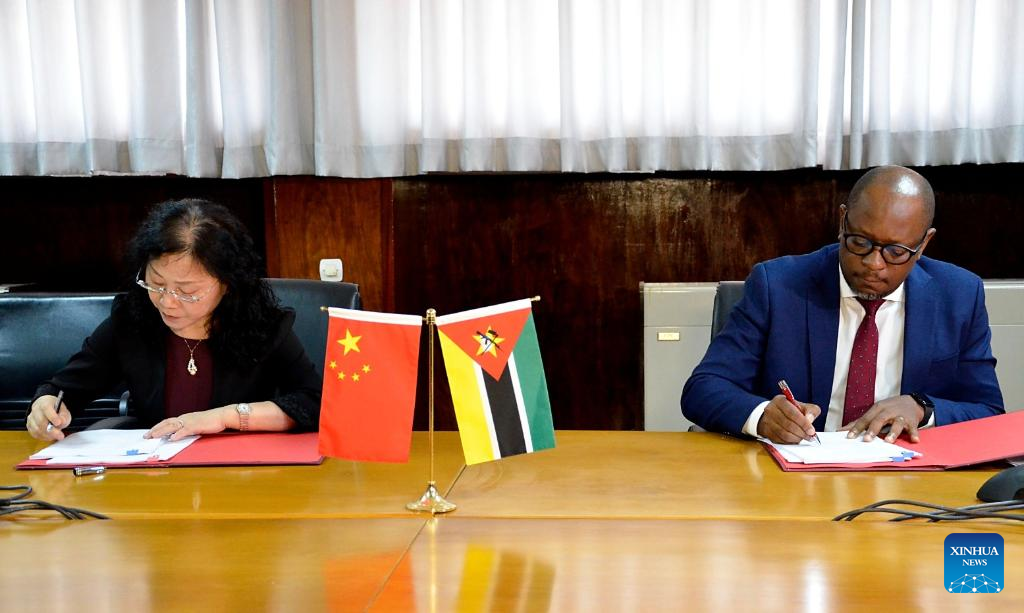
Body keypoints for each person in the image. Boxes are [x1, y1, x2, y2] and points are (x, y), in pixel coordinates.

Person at [681, 165, 1003, 444]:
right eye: (860, 242)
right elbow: (703, 388)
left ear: (923, 245)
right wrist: (763, 415)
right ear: (842, 221)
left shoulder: (959, 295)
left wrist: (922, 408)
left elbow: (989, 411)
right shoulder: (778, 286)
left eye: (895, 252)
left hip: (905, 477)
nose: (874, 263)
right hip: (797, 475)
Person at [26, 199, 322, 442]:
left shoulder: (264, 326)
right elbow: (63, 389)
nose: (167, 302)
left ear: (228, 284)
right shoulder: (132, 319)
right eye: (156, 283)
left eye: (187, 291)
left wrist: (225, 417)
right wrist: (46, 406)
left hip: (242, 475)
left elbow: (314, 403)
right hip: (157, 475)